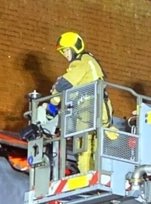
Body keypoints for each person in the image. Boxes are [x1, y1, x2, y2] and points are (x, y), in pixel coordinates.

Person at [49, 31, 115, 173]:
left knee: (83, 143)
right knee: (98, 143)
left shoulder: (80, 62)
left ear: (75, 48)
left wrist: (52, 104)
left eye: (66, 50)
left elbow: (65, 83)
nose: (65, 54)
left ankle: (85, 176)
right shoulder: (90, 61)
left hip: (87, 107)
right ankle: (97, 173)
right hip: (102, 106)